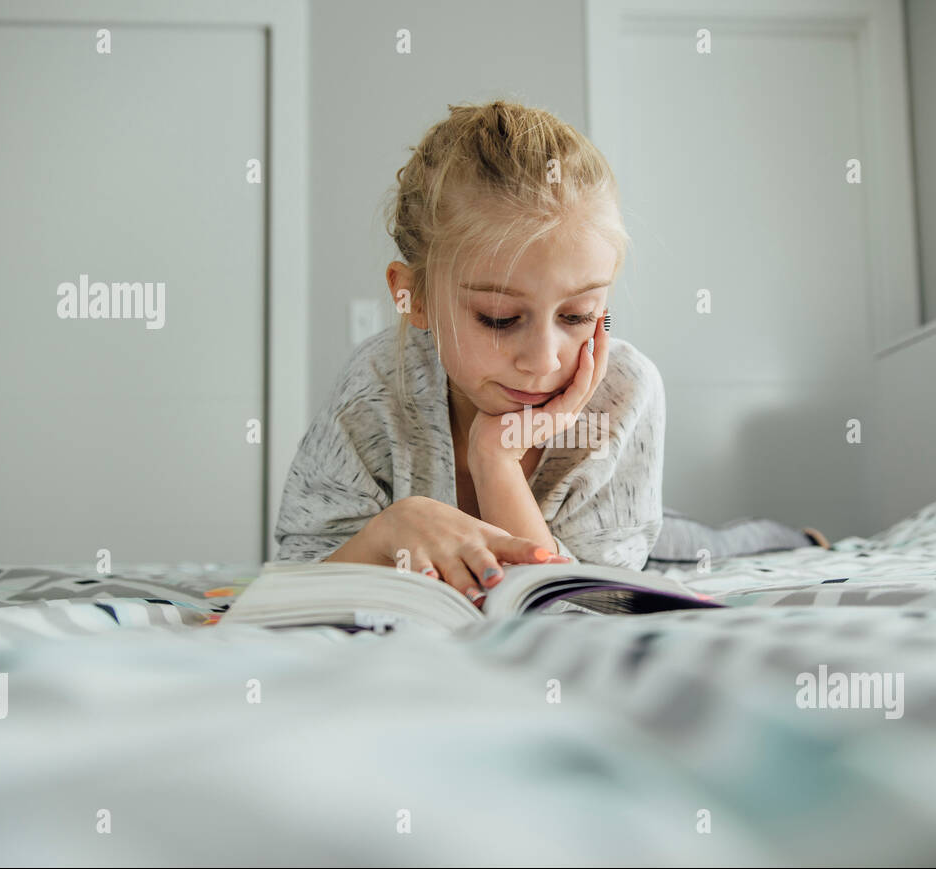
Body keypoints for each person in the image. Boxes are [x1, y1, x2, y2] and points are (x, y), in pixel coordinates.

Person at [271, 100, 666, 608]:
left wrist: (495, 461)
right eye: (499, 318)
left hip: (628, 528)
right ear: (415, 297)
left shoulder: (625, 393)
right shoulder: (375, 385)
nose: (544, 361)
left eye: (578, 315)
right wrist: (386, 533)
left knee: (698, 545)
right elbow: (293, 590)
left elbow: (585, 617)